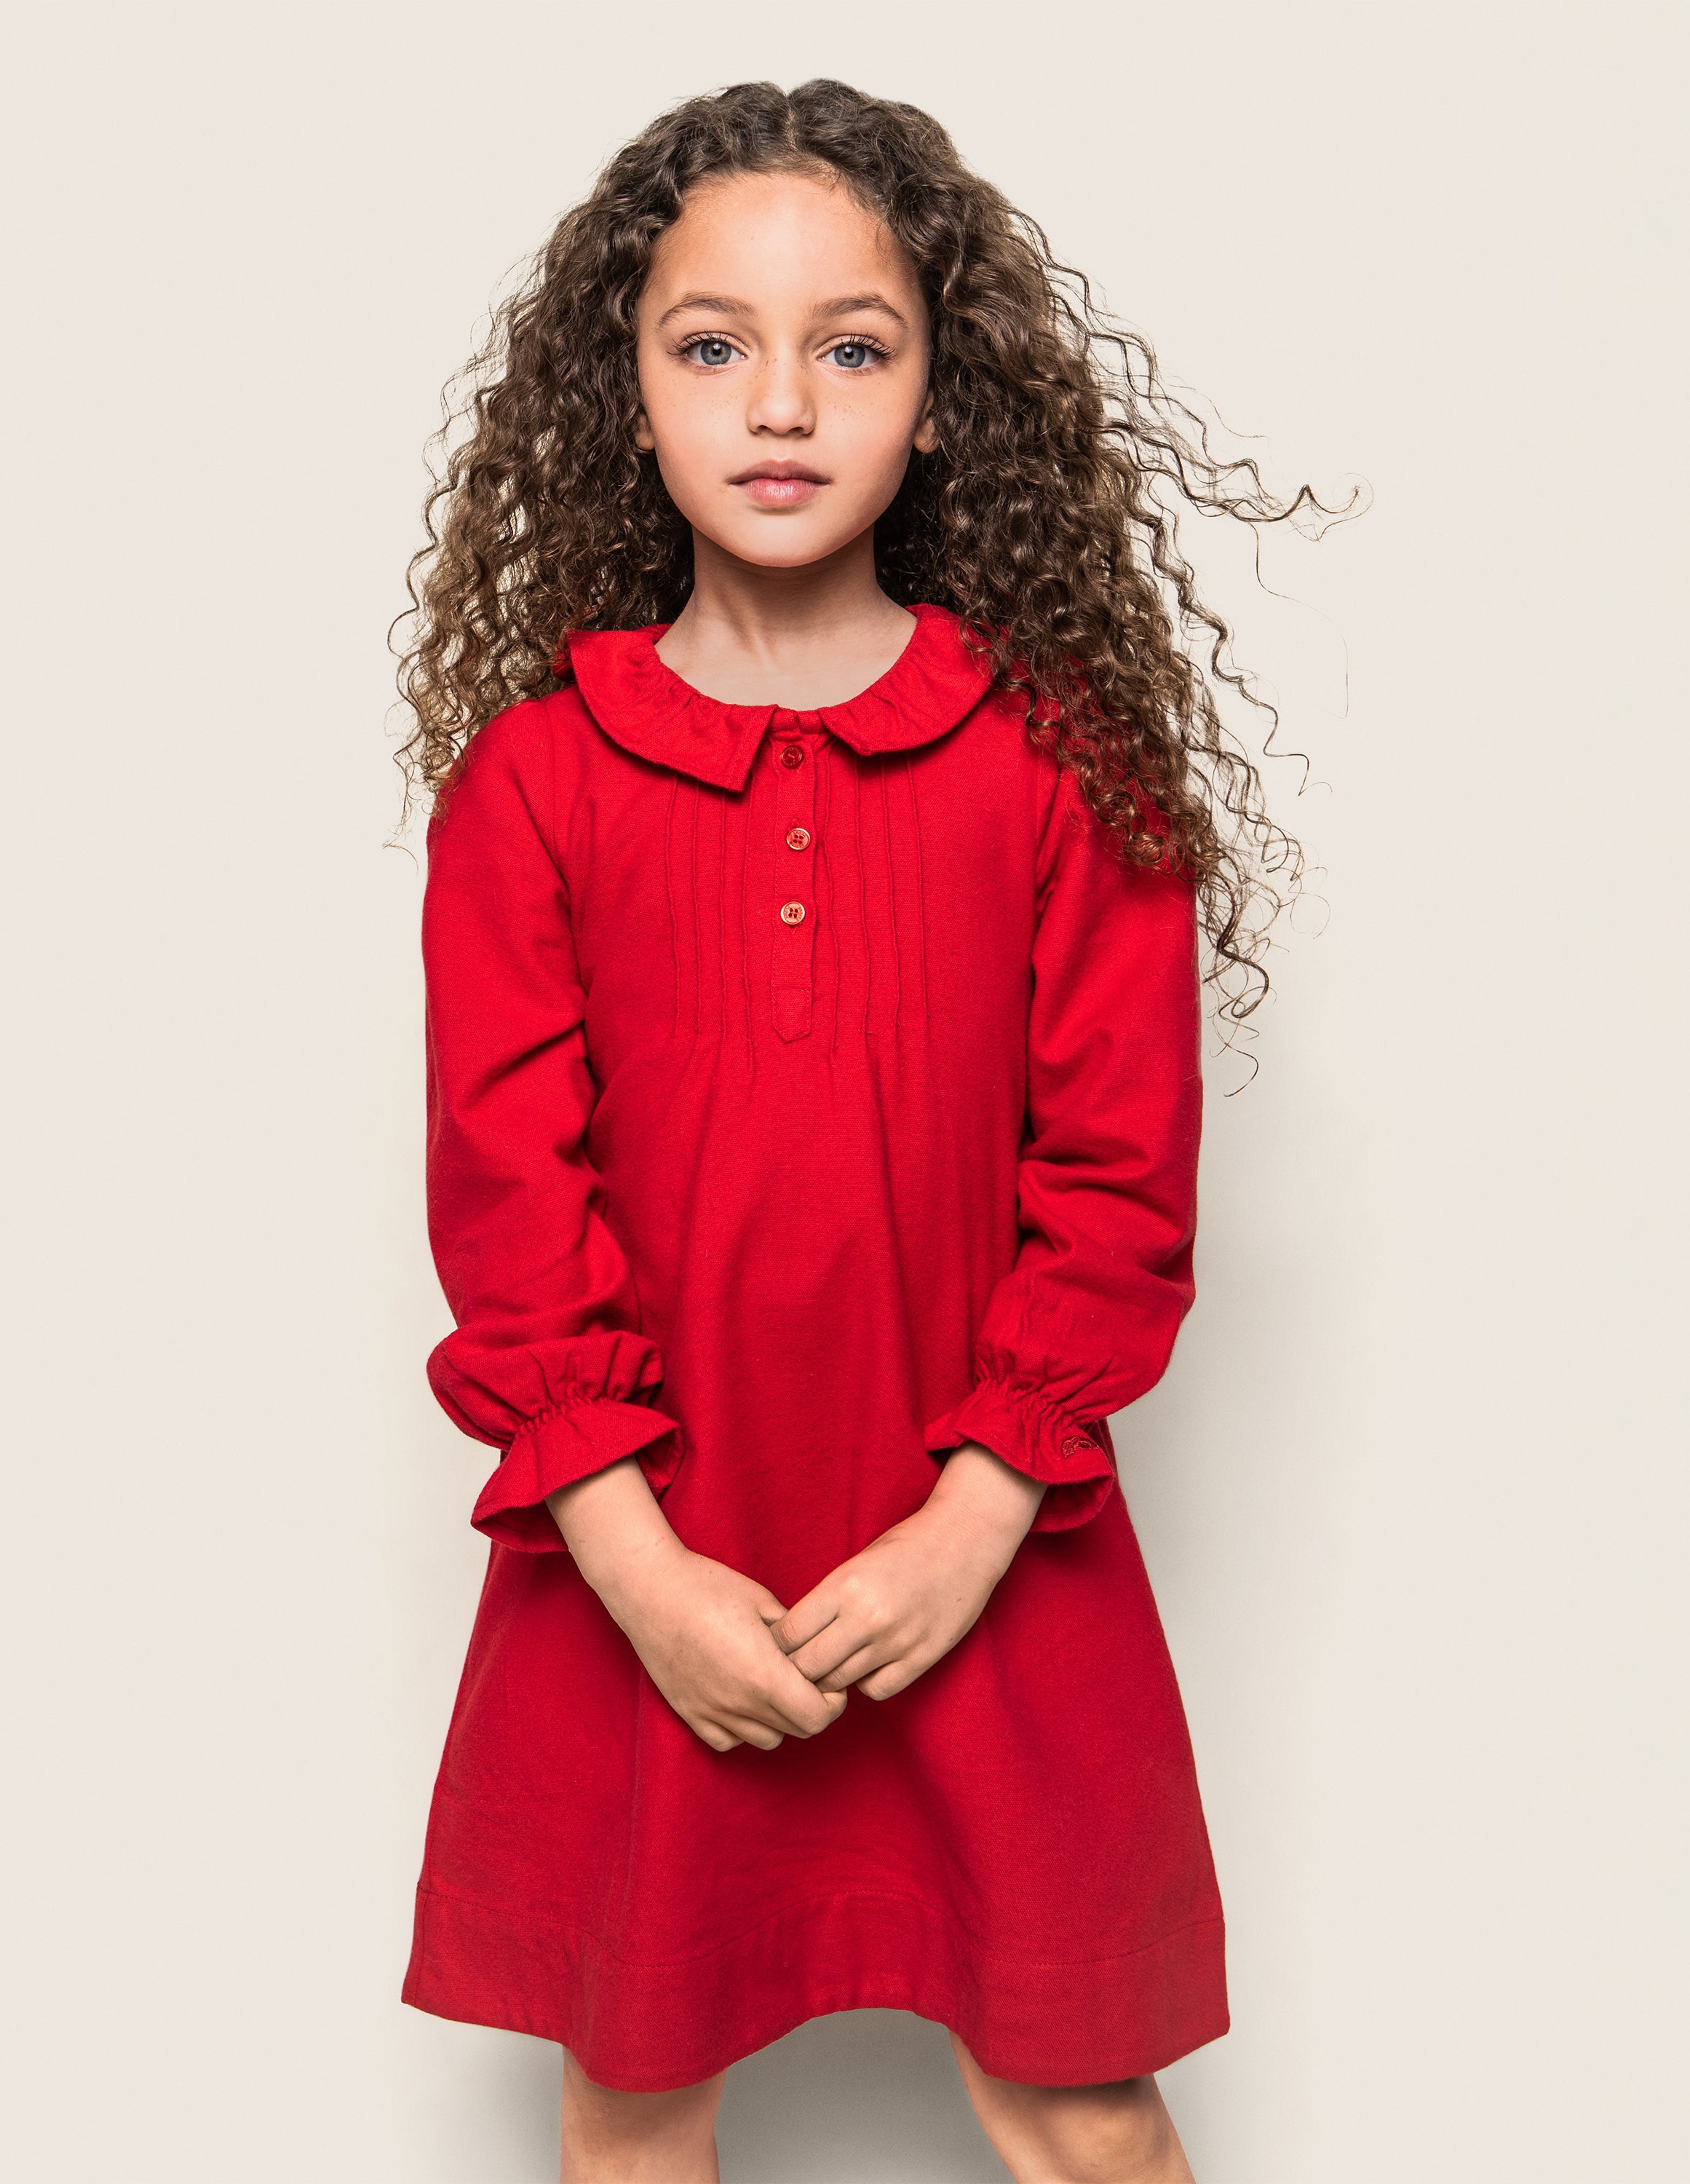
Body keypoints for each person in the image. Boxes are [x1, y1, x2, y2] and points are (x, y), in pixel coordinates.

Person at [393, 77, 1338, 2184]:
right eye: (710, 344)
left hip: (989, 1537)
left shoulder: (1067, 764)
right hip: (654, 1538)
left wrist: (976, 1518)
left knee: (1081, 2101)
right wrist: (635, 1568)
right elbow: (509, 1202)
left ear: (939, 397)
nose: (780, 403)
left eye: (852, 346)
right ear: (626, 397)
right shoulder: (534, 783)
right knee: (635, 2095)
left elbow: (1121, 1188)